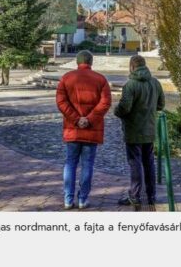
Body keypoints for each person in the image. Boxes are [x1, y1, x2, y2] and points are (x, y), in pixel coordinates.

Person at [55, 50, 111, 210]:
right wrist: (89, 119)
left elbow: (61, 101)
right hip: (91, 130)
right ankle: (83, 199)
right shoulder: (101, 79)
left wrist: (75, 119)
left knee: (70, 163)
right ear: (91, 62)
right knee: (87, 165)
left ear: (76, 62)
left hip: (73, 129)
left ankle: (68, 199)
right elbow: (105, 102)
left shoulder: (66, 78)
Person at [114, 55, 165, 211]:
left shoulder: (130, 85)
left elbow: (125, 108)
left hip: (133, 131)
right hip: (149, 130)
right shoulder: (155, 83)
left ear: (131, 67)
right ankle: (151, 195)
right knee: (149, 163)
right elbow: (161, 105)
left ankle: (135, 196)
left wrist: (116, 111)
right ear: (145, 66)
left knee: (135, 163)